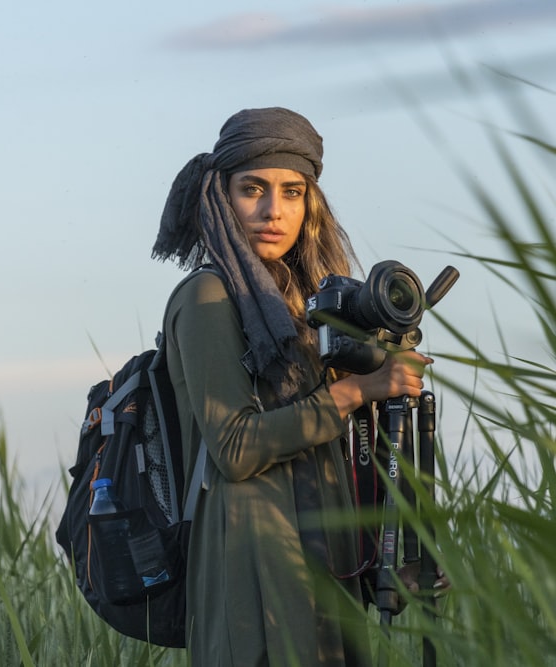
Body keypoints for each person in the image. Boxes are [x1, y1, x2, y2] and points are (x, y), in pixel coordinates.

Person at [151, 107, 441, 666]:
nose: (271, 211)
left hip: (318, 571)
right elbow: (234, 449)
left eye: (292, 192)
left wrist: (390, 573)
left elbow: (326, 465)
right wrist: (358, 391)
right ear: (220, 197)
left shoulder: (302, 307)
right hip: (250, 577)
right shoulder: (208, 298)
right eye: (252, 189)